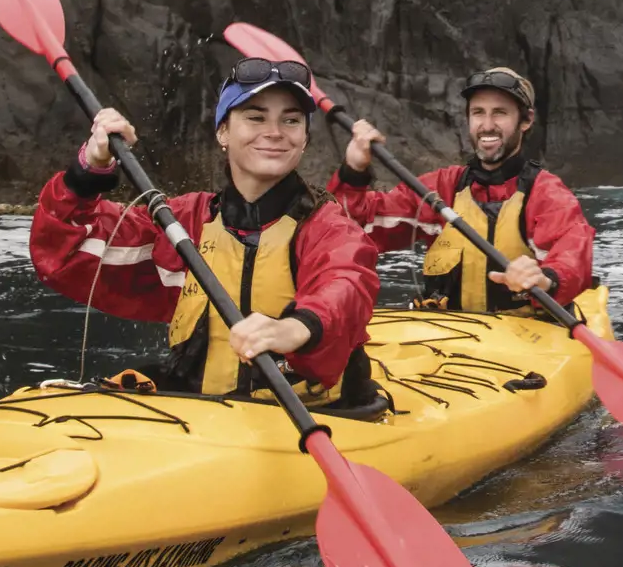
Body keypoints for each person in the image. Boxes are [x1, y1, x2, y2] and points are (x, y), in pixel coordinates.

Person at [26, 55, 382, 407]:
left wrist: (294, 328)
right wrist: (89, 169)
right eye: (255, 117)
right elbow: (64, 250)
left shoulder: (329, 227)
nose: (274, 132)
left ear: (304, 139)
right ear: (223, 131)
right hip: (202, 409)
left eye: (291, 121)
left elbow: (347, 283)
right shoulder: (184, 222)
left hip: (318, 412)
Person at [327, 65, 597, 314]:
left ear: (525, 120)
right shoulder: (440, 188)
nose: (487, 125)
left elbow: (572, 256)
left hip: (526, 335)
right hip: (452, 335)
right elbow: (352, 228)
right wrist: (354, 171)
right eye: (478, 112)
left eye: (500, 112)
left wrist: (545, 279)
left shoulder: (547, 194)